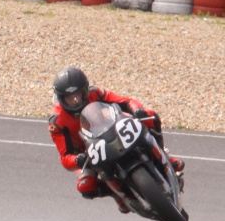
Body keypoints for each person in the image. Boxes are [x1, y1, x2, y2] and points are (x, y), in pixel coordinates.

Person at [49, 66, 184, 212]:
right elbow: (65, 157)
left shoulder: (96, 93)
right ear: (62, 99)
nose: (75, 101)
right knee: (85, 186)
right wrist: (77, 159)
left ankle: (164, 156)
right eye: (70, 98)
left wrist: (137, 109)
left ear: (85, 90)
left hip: (112, 130)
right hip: (87, 152)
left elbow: (126, 102)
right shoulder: (57, 122)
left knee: (149, 116)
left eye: (78, 95)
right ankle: (116, 194)